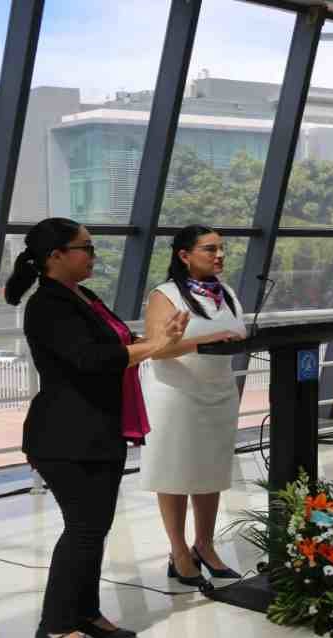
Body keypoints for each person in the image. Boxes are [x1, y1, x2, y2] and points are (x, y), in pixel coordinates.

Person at [6, 217, 187, 638]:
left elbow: (123, 344)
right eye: (85, 247)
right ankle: (56, 626)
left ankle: (84, 614)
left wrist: (163, 342)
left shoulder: (81, 296)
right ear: (55, 256)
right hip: (66, 437)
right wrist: (155, 344)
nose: (93, 255)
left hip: (98, 431)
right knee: (83, 530)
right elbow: (95, 360)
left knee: (94, 530)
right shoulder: (47, 304)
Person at [140, 225, 247, 590]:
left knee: (211, 470)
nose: (219, 255)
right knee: (175, 471)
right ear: (184, 255)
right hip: (176, 393)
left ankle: (205, 545)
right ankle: (179, 551)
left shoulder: (227, 293)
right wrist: (205, 340)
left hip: (218, 390)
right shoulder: (165, 295)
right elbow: (158, 347)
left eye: (221, 248)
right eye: (209, 249)